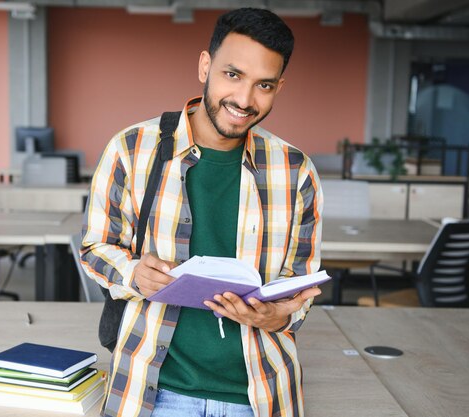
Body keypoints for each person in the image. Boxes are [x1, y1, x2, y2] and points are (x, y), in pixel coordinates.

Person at [81, 7, 323, 417]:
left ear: (279, 87)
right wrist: (133, 272)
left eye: (263, 85)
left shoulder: (296, 170)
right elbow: (94, 249)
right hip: (153, 393)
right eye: (233, 75)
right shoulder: (131, 149)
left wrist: (277, 315)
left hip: (261, 395)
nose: (245, 100)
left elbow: (299, 286)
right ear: (205, 66)